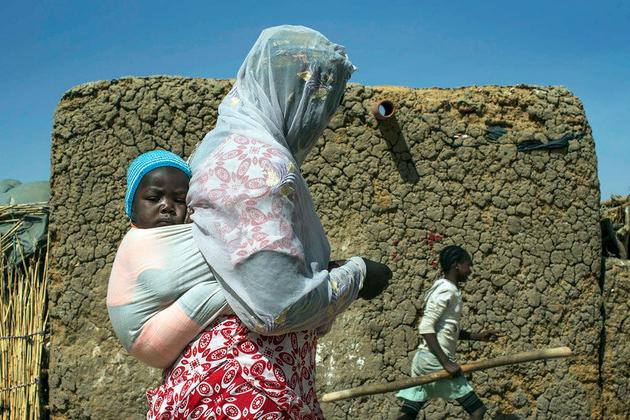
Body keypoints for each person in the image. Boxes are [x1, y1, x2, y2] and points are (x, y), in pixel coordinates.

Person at [107, 150, 229, 368]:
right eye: (154, 198)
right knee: (228, 290)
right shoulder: (136, 243)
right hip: (145, 336)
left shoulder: (179, 238)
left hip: (159, 336)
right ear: (131, 207)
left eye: (179, 200)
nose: (167, 206)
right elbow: (167, 283)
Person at [396, 245, 501, 420]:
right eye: (468, 265)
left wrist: (477, 336)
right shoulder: (446, 290)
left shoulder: (449, 289)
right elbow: (426, 327)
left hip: (425, 360)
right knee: (477, 411)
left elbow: (446, 329)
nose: (470, 270)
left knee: (408, 413)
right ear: (456, 265)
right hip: (434, 361)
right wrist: (446, 362)